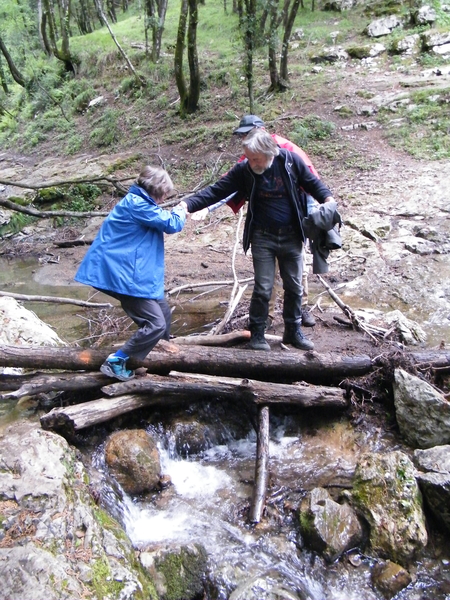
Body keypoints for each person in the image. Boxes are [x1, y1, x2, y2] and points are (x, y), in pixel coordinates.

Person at [181, 128, 336, 352]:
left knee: (294, 287)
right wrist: (188, 204)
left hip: (292, 235)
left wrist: (329, 200)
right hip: (262, 237)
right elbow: (217, 190)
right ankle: (258, 334)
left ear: (269, 152)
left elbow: (312, 183)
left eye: (255, 158)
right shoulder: (245, 169)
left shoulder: (290, 162)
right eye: (249, 157)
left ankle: (293, 332)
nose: (251, 162)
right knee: (263, 287)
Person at [193, 114, 318, 327]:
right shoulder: (250, 158)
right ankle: (266, 317)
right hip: (264, 228)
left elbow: (310, 184)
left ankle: (302, 310)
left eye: (246, 133)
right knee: (264, 279)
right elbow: (226, 186)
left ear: (260, 129)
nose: (243, 139)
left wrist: (311, 223)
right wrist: (206, 207)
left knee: (298, 274)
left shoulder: (289, 151)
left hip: (294, 225)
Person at [74, 165, 187, 381]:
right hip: (123, 276)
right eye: (164, 194)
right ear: (156, 190)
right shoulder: (138, 205)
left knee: (163, 313)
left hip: (130, 273)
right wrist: (182, 208)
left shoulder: (139, 202)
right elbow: (172, 223)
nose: (164, 199)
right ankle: (117, 360)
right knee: (155, 323)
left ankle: (159, 359)